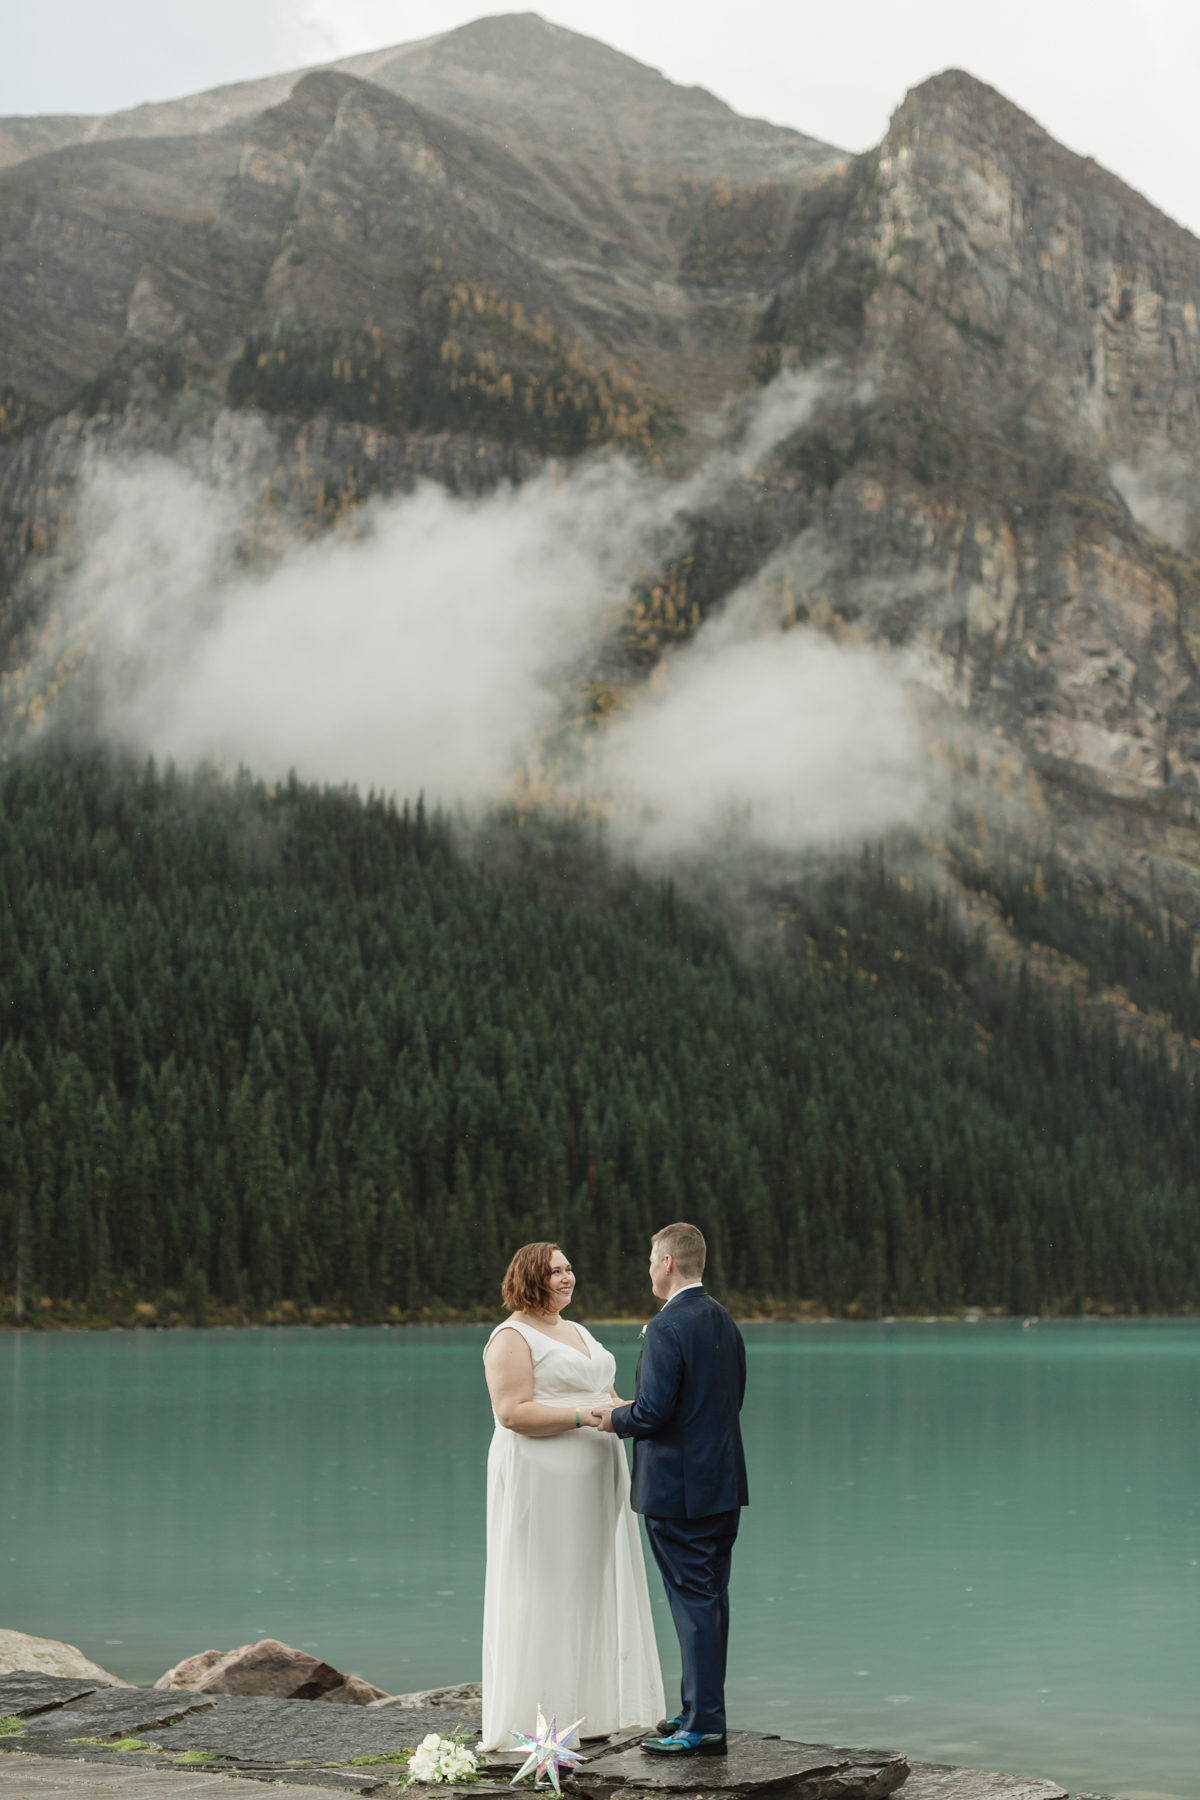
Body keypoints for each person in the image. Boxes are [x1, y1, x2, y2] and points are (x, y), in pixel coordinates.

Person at [480, 1242, 665, 1752]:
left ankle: (589, 1710)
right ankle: (539, 1718)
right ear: (530, 1278)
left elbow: (603, 1396)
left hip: (595, 1473)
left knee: (589, 1584)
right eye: (555, 1271)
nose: (567, 1278)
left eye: (569, 1269)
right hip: (543, 1477)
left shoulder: (577, 1330)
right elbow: (513, 1413)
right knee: (546, 1585)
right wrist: (585, 1418)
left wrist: (647, 1414)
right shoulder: (511, 1336)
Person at [596, 1222, 748, 1757]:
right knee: (710, 1601)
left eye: (650, 1261)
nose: (649, 1271)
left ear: (667, 1264)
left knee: (693, 1604)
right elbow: (731, 1401)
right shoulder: (723, 1321)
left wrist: (613, 1416)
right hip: (723, 1484)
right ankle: (698, 1710)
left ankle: (703, 1726)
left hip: (678, 1492)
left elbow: (654, 1412)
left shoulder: (667, 1327)